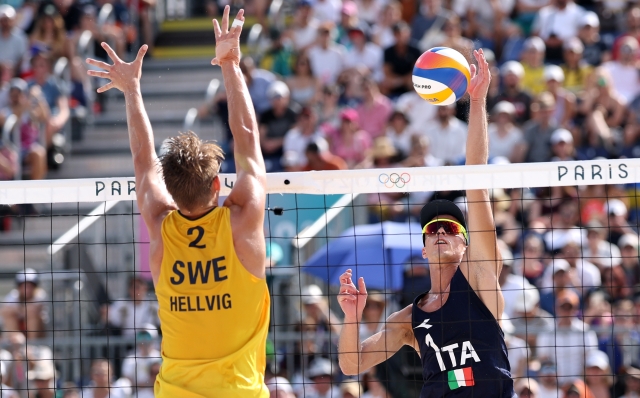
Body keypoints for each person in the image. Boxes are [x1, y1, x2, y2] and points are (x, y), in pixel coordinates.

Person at [86, 6, 270, 397]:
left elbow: (142, 160)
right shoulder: (241, 221)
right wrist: (230, 64)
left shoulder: (159, 225)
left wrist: (131, 90)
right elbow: (249, 140)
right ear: (217, 186)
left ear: (170, 190)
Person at [337, 50, 515, 397]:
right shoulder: (407, 319)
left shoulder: (479, 279)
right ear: (422, 249)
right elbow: (350, 364)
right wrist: (351, 316)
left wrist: (476, 102)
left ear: (466, 244)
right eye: (432, 229)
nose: (440, 232)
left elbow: (476, 177)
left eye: (450, 229)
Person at [2, 268, 49, 339]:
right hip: (19, 330)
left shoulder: (40, 295)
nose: (27, 289)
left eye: (30, 286)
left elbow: (34, 309)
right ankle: (16, 344)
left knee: (32, 313)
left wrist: (19, 310)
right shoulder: (13, 296)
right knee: (9, 314)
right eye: (24, 286)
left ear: (35, 287)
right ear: (19, 287)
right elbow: (4, 311)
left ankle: (32, 344)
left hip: (40, 333)